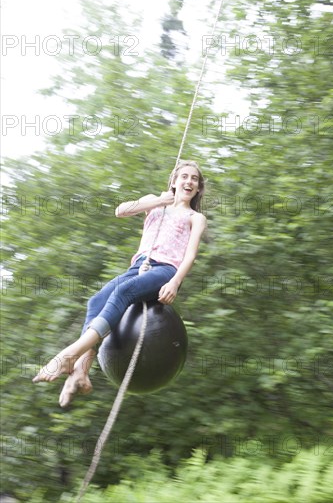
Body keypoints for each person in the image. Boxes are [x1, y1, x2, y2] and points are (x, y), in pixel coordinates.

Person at [33, 160, 207, 407]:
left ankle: (69, 355)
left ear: (198, 187)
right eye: (184, 177)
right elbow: (121, 210)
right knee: (96, 301)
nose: (189, 182)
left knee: (123, 292)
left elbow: (189, 255)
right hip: (138, 268)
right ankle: (81, 371)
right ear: (174, 181)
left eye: (194, 179)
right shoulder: (155, 203)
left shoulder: (195, 217)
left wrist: (176, 282)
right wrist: (159, 201)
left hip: (166, 269)